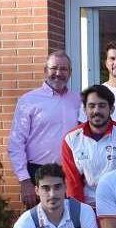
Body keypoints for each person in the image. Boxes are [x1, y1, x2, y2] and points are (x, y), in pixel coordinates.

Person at [8, 51, 81, 208]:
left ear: (70, 73)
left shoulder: (78, 100)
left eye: (63, 69)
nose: (58, 73)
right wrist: (25, 180)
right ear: (45, 71)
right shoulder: (28, 101)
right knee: (39, 227)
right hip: (37, 173)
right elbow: (16, 143)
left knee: (70, 225)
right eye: (53, 68)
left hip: (70, 174)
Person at [61, 85, 116, 206]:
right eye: (91, 106)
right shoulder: (71, 139)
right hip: (86, 206)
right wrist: (80, 212)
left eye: (102, 106)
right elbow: (72, 182)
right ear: (84, 110)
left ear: (111, 109)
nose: (96, 111)